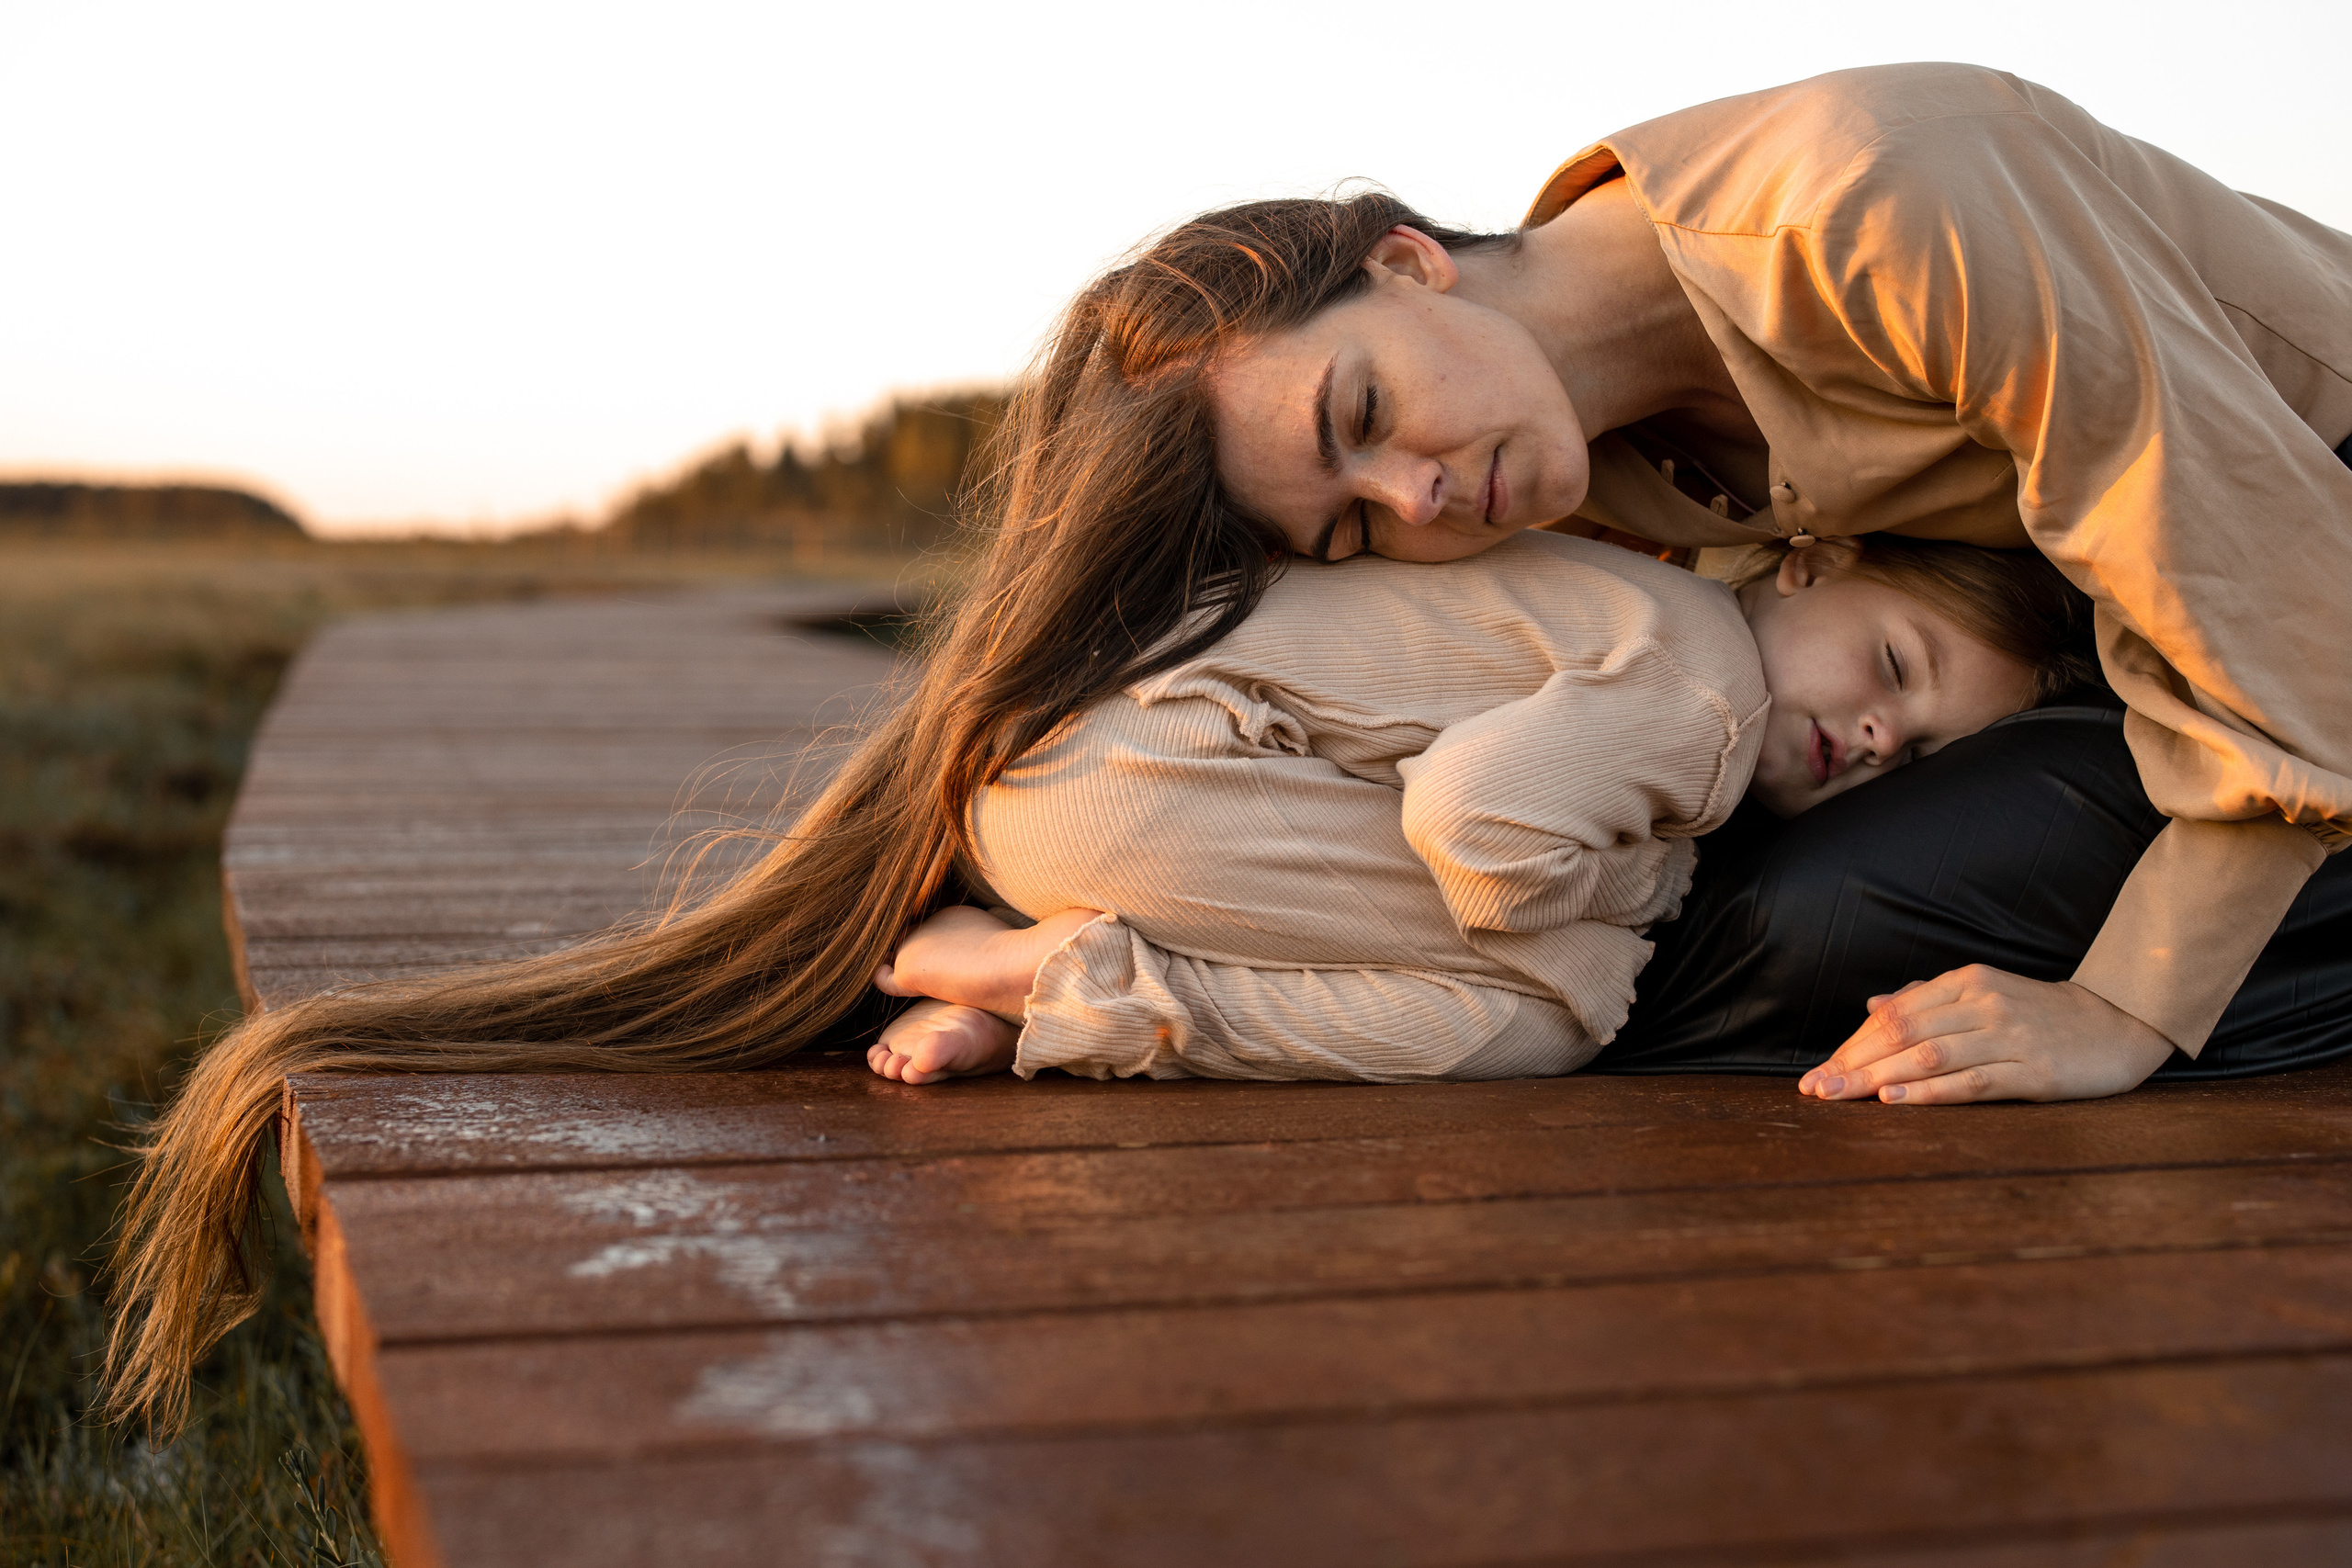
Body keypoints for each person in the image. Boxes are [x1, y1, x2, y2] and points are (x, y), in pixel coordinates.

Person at [104, 61, 2348, 1433]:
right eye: (1341, 509)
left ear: (1407, 260)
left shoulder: (1870, 198)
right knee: (1729, 918)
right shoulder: (1610, 469)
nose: (1421, 498)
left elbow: (2268, 610)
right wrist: (1087, 897)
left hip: (2314, 613)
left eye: (1360, 414)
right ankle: (1096, 986)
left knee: (1811, 919)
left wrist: (2115, 1017)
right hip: (2121, 683)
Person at [867, 529, 2092, 1086]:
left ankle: (1041, 986)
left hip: (1084, 777)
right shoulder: (1709, 693)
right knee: (1556, 1014)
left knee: (1514, 1003)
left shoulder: (1629, 605)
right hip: (1132, 791)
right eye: (1891, 663)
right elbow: (1473, 827)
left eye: (1921, 751)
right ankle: (1057, 986)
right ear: (1810, 559)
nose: (1880, 733)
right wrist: (1638, 902)